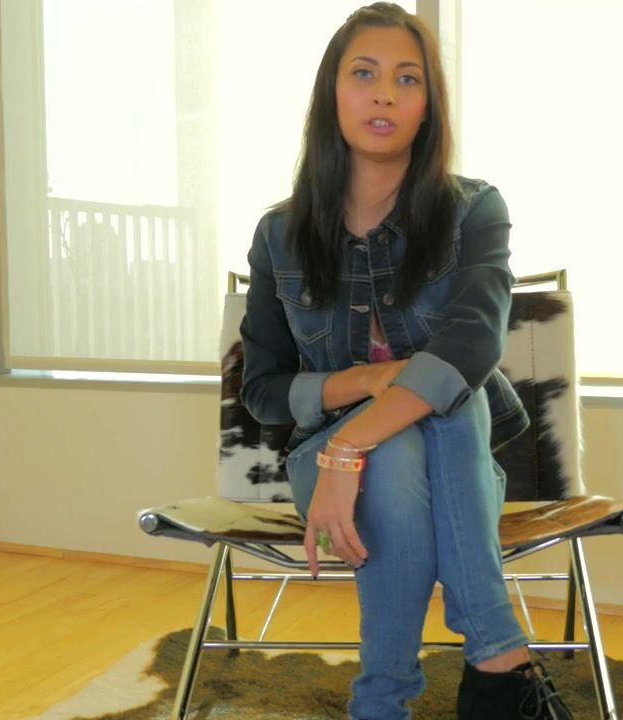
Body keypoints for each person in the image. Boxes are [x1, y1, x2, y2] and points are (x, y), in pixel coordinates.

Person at [238, 4, 574, 719]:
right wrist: (365, 387)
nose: (384, 95)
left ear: (428, 106)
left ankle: (382, 704)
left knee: (447, 393)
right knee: (426, 410)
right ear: (332, 93)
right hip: (324, 461)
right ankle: (497, 660)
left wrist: (354, 445)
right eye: (364, 74)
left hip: (440, 464)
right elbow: (262, 391)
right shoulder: (278, 235)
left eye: (407, 79)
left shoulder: (474, 210)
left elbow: (474, 344)